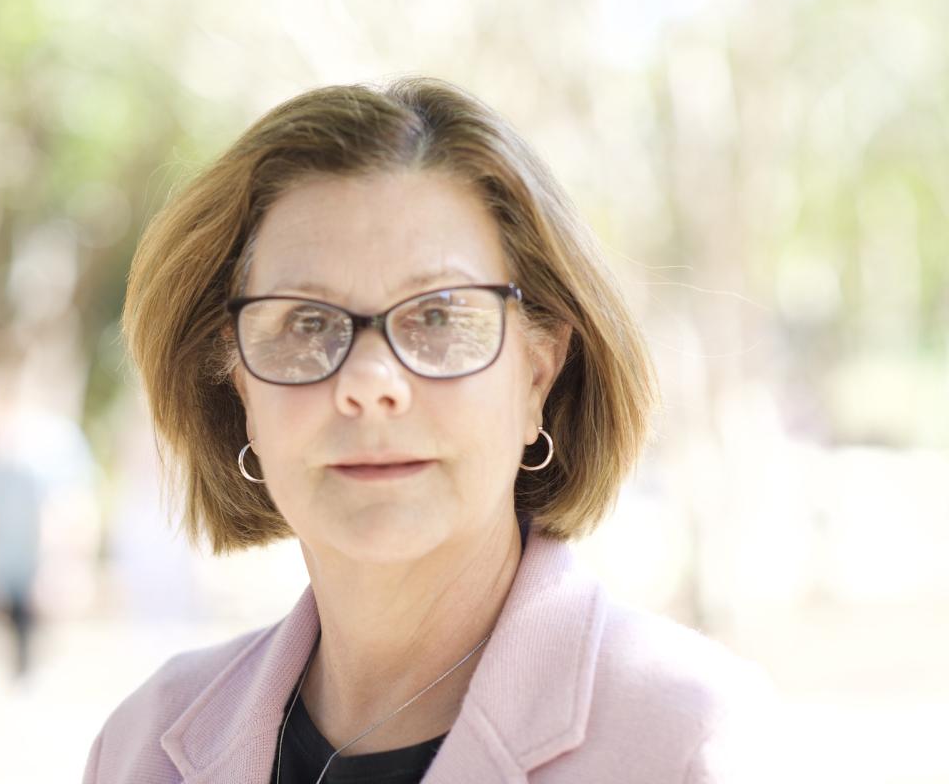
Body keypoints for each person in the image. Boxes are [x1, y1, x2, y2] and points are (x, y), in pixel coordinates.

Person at [84, 76, 783, 783]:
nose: (369, 385)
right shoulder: (140, 748)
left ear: (537, 377)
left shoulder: (687, 739)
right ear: (240, 392)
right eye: (304, 322)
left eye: (439, 317)